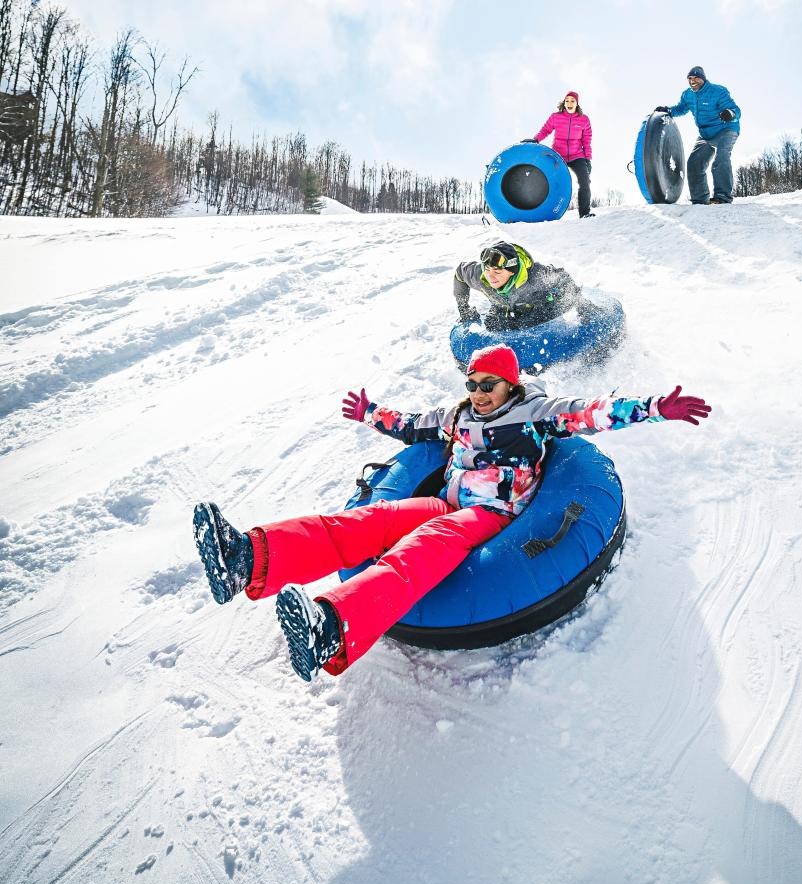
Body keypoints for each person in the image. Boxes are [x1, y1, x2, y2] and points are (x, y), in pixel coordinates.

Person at [193, 343, 711, 683]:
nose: (478, 393)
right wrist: (371, 412)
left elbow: (595, 412)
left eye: (488, 384)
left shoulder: (536, 415)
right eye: (472, 383)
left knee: (428, 544)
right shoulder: (457, 416)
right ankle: (246, 557)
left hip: (494, 515)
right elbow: (411, 425)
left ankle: (332, 626)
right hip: (447, 499)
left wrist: (656, 408)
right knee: (366, 523)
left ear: (510, 384)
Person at [454, 241, 601, 329]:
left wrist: (582, 306)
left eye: (497, 272)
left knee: (529, 322)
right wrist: (463, 308)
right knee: (494, 325)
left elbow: (563, 278)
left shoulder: (537, 276)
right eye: (487, 270)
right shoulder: (480, 275)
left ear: (512, 271)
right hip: (504, 307)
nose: (490, 276)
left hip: (540, 306)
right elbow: (460, 273)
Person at [655, 66, 741, 205]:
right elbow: (681, 109)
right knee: (694, 163)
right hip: (705, 134)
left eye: (696, 78)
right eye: (690, 78)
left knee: (722, 157)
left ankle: (722, 197)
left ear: (703, 78)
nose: (692, 81)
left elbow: (736, 110)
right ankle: (700, 200)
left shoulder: (718, 91)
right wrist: (668, 110)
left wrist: (730, 114)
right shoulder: (687, 95)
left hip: (725, 129)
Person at [523, 90, 594, 218]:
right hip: (558, 155)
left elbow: (587, 141)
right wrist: (536, 139)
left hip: (577, 155)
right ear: (564, 103)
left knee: (585, 181)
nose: (569, 103)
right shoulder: (556, 117)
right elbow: (546, 130)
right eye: (567, 101)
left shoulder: (584, 120)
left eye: (572, 101)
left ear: (577, 103)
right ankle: (544, 211)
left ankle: (584, 213)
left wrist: (588, 159)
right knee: (549, 179)